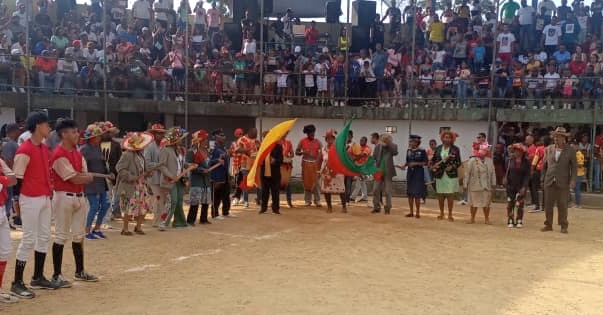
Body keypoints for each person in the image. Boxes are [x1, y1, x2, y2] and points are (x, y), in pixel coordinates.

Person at [10, 111, 56, 298]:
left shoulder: (44, 148)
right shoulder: (24, 150)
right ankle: (17, 282)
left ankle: (37, 276)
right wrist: (17, 202)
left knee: (44, 236)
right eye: (47, 125)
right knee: (28, 238)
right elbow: (17, 178)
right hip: (29, 198)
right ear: (38, 126)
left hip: (44, 196)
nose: (49, 129)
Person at [50, 119, 99, 289]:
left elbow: (82, 174)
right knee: (61, 235)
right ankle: (56, 274)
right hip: (63, 196)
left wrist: (84, 176)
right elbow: (73, 177)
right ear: (63, 134)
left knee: (79, 235)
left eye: (77, 131)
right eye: (73, 132)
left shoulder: (77, 152)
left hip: (79, 195)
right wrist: (85, 177)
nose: (77, 134)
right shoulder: (58, 154)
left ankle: (80, 271)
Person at [115, 132, 154, 236]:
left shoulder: (141, 155)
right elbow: (119, 168)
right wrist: (132, 177)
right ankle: (125, 228)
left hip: (142, 184)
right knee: (129, 206)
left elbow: (143, 169)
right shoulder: (127, 154)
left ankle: (138, 227)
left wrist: (148, 173)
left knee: (144, 206)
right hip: (130, 185)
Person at [541, 127, 577, 234]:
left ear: (564, 138)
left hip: (563, 181)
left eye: (559, 136)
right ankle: (548, 224)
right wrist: (542, 178)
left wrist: (573, 180)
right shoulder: (548, 149)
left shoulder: (570, 150)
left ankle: (563, 225)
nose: (556, 138)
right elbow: (544, 165)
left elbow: (574, 167)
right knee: (548, 204)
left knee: (562, 204)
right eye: (555, 136)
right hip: (549, 179)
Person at [79, 124, 111, 240]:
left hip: (101, 181)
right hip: (90, 182)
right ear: (92, 138)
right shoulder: (83, 150)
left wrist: (108, 173)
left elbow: (102, 163)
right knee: (94, 205)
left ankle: (97, 228)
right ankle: (87, 230)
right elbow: (80, 166)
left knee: (106, 204)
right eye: (98, 136)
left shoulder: (98, 148)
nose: (100, 138)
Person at [159, 127, 194, 230]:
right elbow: (162, 166)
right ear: (175, 140)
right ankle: (163, 222)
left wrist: (190, 165)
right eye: (180, 138)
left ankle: (179, 222)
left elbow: (182, 164)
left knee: (179, 200)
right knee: (172, 201)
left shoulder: (180, 150)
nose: (182, 140)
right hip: (170, 180)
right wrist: (171, 175)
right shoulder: (165, 150)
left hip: (179, 180)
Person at [431, 130, 462, 221]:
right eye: (445, 137)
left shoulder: (455, 149)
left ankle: (450, 214)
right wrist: (433, 166)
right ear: (442, 138)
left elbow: (458, 162)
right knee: (440, 195)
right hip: (439, 175)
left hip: (450, 175)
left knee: (450, 196)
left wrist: (452, 167)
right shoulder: (438, 148)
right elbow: (433, 160)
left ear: (452, 139)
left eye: (449, 137)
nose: (447, 139)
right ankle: (441, 213)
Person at [0, 155, 17, 303]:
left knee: (4, 251)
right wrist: (4, 179)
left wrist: (4, 179)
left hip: (1, 210)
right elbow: (7, 180)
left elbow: (13, 179)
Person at [463, 146, 496, 224]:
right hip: (475, 185)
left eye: (484, 151)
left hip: (486, 185)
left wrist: (494, 183)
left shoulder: (490, 161)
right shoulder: (472, 161)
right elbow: (467, 173)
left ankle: (487, 219)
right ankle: (472, 218)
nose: (482, 153)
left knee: (486, 203)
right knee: (473, 203)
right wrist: (465, 183)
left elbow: (493, 173)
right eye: (481, 152)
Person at [186, 130, 212, 225]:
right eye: (204, 139)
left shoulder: (207, 150)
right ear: (199, 140)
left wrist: (217, 161)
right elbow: (188, 165)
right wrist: (201, 170)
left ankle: (203, 219)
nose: (206, 141)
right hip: (196, 180)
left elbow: (209, 163)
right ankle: (191, 220)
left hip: (206, 180)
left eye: (206, 139)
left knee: (206, 200)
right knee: (195, 201)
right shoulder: (191, 152)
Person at [144, 123, 167, 227]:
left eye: (161, 133)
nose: (160, 135)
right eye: (158, 133)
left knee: (162, 198)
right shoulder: (149, 147)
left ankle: (160, 219)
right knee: (157, 198)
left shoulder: (163, 146)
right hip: (154, 177)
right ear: (153, 134)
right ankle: (157, 221)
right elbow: (147, 163)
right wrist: (159, 165)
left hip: (163, 177)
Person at [398, 135, 427, 218]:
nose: (410, 143)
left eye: (412, 141)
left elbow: (425, 162)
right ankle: (411, 212)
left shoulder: (422, 151)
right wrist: (403, 166)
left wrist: (416, 163)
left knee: (417, 194)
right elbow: (408, 161)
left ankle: (418, 212)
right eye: (410, 141)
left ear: (417, 142)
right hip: (410, 173)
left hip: (418, 173)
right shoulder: (409, 151)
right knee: (410, 193)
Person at [296, 125, 322, 207]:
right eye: (311, 132)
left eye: (313, 132)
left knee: (316, 183)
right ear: (307, 133)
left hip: (315, 164)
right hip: (306, 163)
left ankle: (317, 200)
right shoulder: (302, 141)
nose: (312, 134)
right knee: (307, 182)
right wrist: (303, 152)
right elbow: (297, 152)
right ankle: (307, 200)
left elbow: (323, 152)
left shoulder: (318, 142)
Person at [320, 129, 346, 213]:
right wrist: (320, 170)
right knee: (327, 190)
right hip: (326, 172)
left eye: (332, 138)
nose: (330, 140)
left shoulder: (339, 149)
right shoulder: (323, 149)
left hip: (337, 171)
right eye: (328, 138)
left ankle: (344, 206)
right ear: (326, 139)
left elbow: (343, 159)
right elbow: (321, 160)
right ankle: (329, 207)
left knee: (341, 189)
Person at [372, 133, 398, 214]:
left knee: (387, 191)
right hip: (378, 170)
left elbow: (395, 152)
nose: (384, 141)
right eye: (383, 139)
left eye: (386, 139)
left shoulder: (393, 146)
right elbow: (374, 157)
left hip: (388, 172)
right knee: (375, 189)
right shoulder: (377, 147)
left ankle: (388, 208)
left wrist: (388, 144)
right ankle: (376, 207)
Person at [259, 132, 283, 215]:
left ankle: (275, 209)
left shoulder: (278, 147)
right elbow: (258, 159)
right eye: (265, 137)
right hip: (264, 174)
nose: (266, 138)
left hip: (275, 174)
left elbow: (281, 160)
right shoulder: (262, 147)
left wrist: (275, 161)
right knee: (264, 193)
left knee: (275, 192)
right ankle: (263, 209)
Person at [209, 129, 231, 219]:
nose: (224, 137)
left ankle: (226, 212)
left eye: (224, 135)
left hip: (224, 174)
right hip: (216, 175)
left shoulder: (224, 148)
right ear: (216, 137)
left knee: (226, 194)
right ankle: (215, 214)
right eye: (221, 135)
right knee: (216, 195)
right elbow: (208, 161)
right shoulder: (212, 148)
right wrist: (216, 160)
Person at [279, 132, 294, 208]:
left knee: (288, 183)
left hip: (286, 165)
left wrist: (289, 155)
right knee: (276, 184)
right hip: (279, 165)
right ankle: (276, 201)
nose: (284, 135)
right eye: (283, 133)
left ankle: (289, 201)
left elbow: (292, 154)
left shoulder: (289, 143)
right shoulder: (276, 143)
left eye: (285, 134)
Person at [571, 140, 584, 208]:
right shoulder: (573, 153)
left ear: (577, 146)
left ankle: (578, 204)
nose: (572, 148)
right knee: (574, 189)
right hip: (574, 174)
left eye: (573, 147)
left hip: (578, 174)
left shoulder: (579, 154)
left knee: (577, 189)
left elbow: (581, 165)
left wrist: (572, 164)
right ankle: (574, 203)